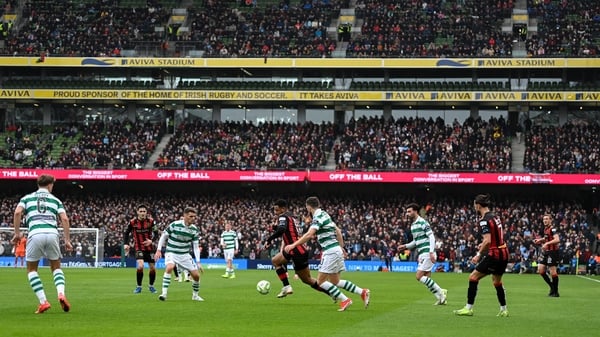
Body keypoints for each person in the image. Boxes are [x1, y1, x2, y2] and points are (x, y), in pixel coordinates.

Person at [284, 196, 370, 312]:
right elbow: (338, 231)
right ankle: (362, 292)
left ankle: (345, 300)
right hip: (336, 250)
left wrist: (293, 245)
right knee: (335, 281)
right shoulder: (325, 215)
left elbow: (309, 235)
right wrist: (341, 247)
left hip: (330, 252)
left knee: (320, 282)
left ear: (309, 207)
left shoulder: (318, 217)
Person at [11, 174, 72, 314]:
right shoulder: (55, 200)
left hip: (35, 234)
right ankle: (61, 294)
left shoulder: (27, 198)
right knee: (56, 267)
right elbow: (65, 219)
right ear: (50, 185)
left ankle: (43, 301)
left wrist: (17, 233)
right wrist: (67, 240)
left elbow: (17, 212)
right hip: (52, 234)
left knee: (32, 270)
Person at [454, 194, 509, 317]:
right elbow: (495, 238)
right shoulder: (495, 217)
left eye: (474, 205)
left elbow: (488, 240)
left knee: (473, 277)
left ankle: (468, 308)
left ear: (478, 205)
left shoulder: (484, 220)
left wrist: (479, 254)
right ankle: (504, 309)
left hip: (495, 254)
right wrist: (484, 243)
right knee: (497, 281)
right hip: (504, 253)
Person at [266, 199, 329, 298]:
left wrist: (269, 239)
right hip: (292, 249)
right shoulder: (292, 216)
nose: (275, 213)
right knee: (275, 261)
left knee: (307, 280)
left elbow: (282, 229)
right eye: (274, 210)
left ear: (283, 209)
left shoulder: (283, 217)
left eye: (277, 210)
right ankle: (287, 286)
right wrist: (275, 228)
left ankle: (332, 293)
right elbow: (288, 230)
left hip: (296, 250)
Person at [397, 203, 447, 305]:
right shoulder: (413, 225)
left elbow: (431, 237)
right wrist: (405, 246)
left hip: (427, 252)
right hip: (422, 253)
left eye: (409, 211)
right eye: (407, 212)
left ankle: (441, 292)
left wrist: (431, 252)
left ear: (415, 211)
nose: (407, 214)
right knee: (427, 279)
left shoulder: (422, 222)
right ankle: (440, 298)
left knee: (418, 276)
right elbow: (416, 241)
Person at [154, 207, 205, 301]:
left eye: (194, 216)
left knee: (196, 276)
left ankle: (195, 295)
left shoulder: (194, 230)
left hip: (184, 255)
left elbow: (196, 247)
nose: (193, 218)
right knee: (169, 267)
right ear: (185, 216)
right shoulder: (175, 225)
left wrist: (198, 262)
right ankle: (164, 294)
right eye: (191, 216)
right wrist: (158, 250)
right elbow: (163, 236)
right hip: (171, 252)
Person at [124, 204, 159, 294]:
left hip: (150, 248)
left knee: (152, 268)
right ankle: (139, 286)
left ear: (146, 212)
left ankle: (151, 286)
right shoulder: (133, 222)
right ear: (137, 212)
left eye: (144, 211)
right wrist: (126, 244)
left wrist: (151, 241)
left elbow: (156, 233)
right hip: (138, 247)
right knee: (140, 266)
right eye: (141, 211)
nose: (142, 213)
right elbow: (126, 232)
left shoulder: (151, 221)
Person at [533, 214, 561, 297]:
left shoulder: (553, 229)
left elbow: (557, 239)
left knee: (553, 272)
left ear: (550, 220)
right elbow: (546, 238)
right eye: (544, 219)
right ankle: (552, 287)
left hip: (553, 252)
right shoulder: (546, 229)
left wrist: (547, 243)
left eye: (546, 219)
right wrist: (540, 240)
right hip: (547, 252)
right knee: (541, 270)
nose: (545, 220)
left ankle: (555, 292)